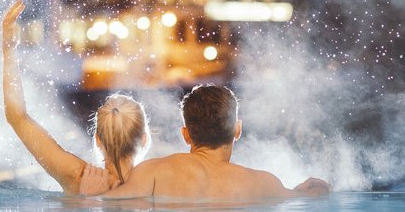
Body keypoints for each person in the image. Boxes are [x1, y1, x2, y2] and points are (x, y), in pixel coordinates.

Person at [0, 0, 150, 196]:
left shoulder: (75, 176)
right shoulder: (164, 184)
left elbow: (17, 117)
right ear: (145, 140)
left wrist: (8, 49)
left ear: (97, 140)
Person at [101, 84, 330, 200]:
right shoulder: (264, 184)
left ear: (186, 135)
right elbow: (309, 200)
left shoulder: (152, 172)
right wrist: (306, 191)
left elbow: (107, 205)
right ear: (237, 130)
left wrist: (88, 195)